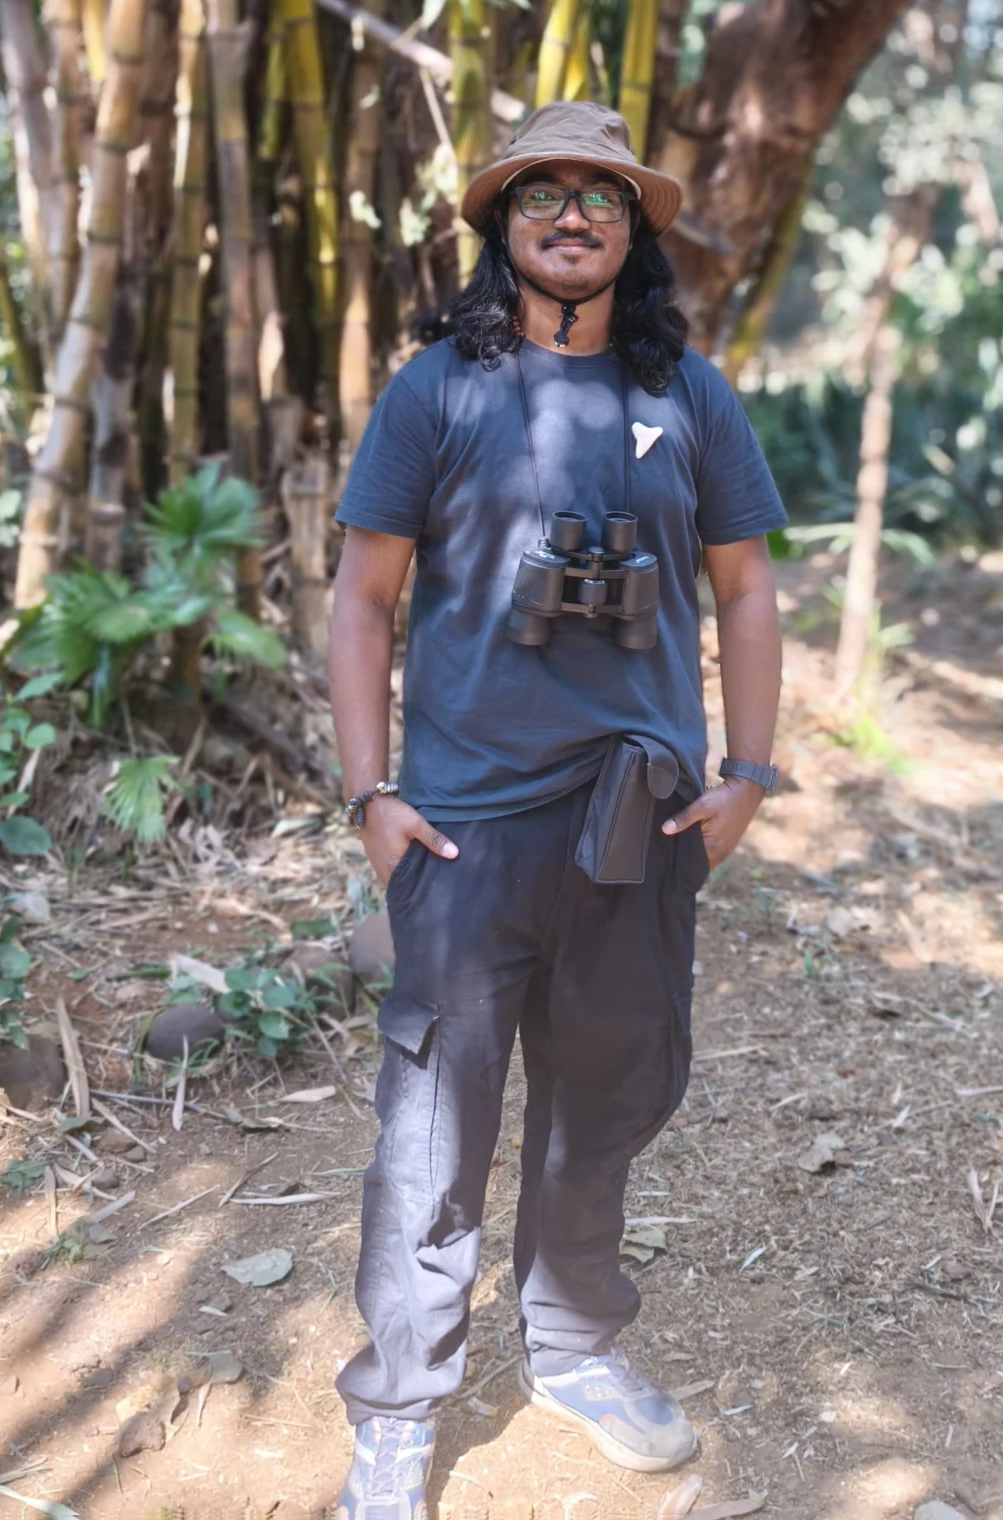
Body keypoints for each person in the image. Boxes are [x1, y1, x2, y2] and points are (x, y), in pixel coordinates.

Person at [328, 100, 787, 1520]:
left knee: (607, 1091)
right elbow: (363, 597)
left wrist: (749, 774)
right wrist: (371, 793)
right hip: (465, 826)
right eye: (544, 194)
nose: (574, 214)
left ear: (635, 229)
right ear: (501, 227)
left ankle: (575, 1344)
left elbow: (747, 588)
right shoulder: (438, 391)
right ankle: (399, 1412)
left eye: (602, 194)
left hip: (638, 816)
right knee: (433, 1127)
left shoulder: (690, 396)